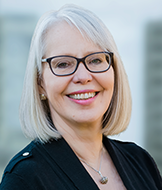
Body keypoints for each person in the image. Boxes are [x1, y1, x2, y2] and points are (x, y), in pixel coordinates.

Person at [0, 4, 162, 190]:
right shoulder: (24, 179)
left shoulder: (140, 162)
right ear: (40, 84)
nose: (83, 77)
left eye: (95, 60)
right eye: (63, 64)